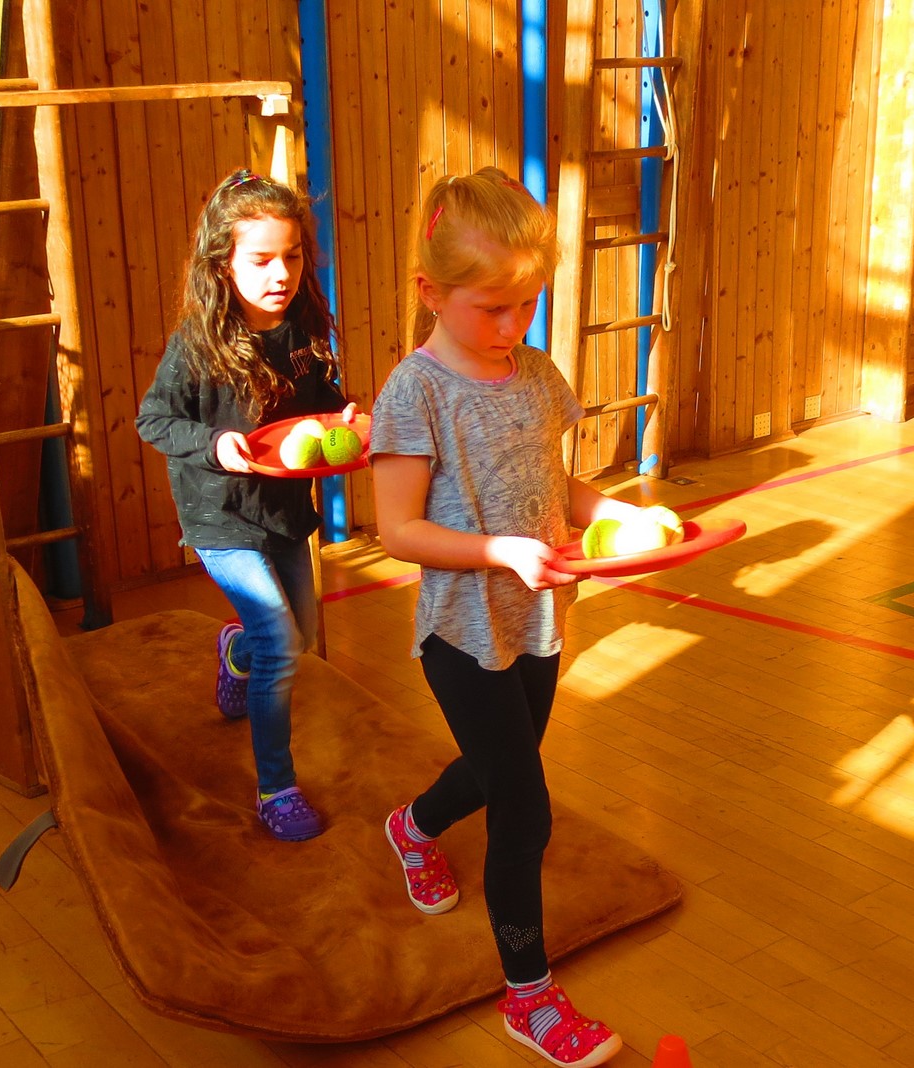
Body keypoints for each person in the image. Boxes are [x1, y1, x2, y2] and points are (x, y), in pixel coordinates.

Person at [369, 167, 646, 1067]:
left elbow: (551, 482)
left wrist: (613, 511)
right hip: (462, 633)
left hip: (539, 622)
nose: (513, 325)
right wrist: (500, 552)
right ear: (431, 293)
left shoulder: (534, 374)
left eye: (527, 304)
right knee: (524, 813)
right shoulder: (414, 394)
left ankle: (412, 826)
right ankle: (528, 998)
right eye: (492, 307)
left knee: (497, 774)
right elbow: (398, 529)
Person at [137, 169, 347, 843]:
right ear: (222, 264)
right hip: (219, 517)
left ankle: (235, 651)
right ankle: (275, 787)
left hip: (281, 513)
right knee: (281, 645)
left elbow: (320, 409)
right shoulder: (197, 345)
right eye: (260, 260)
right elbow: (153, 420)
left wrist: (347, 420)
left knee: (298, 638)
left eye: (292, 256)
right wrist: (213, 443)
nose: (280, 273)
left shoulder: (305, 330)